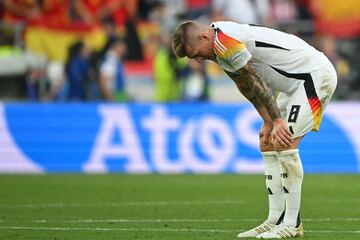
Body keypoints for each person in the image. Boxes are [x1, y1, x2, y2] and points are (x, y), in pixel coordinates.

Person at [172, 20, 337, 238]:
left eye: (196, 53)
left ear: (203, 37)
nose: (199, 59)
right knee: (267, 141)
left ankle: (292, 224)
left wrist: (277, 120)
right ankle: (275, 219)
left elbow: (254, 78)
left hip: (313, 76)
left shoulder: (225, 42)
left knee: (284, 141)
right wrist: (268, 120)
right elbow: (244, 84)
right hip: (292, 86)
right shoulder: (218, 46)